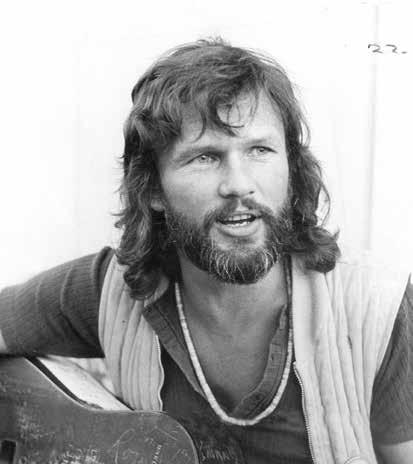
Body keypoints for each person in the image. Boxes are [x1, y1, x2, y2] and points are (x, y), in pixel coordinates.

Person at [0, 38, 412, 464]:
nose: (239, 184)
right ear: (153, 189)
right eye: (205, 157)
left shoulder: (375, 311)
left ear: (291, 168)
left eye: (260, 150)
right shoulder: (113, 291)